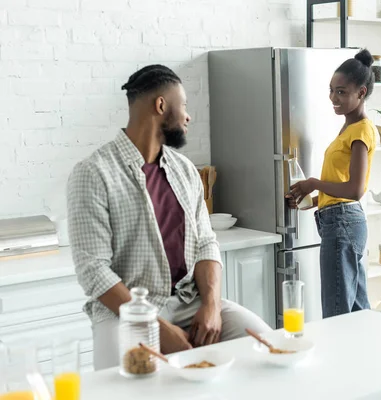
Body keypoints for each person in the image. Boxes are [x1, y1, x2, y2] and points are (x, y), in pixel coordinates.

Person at [67, 64, 271, 371]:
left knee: (266, 349)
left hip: (191, 303)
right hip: (125, 315)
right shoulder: (93, 173)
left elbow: (205, 243)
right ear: (161, 105)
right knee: (123, 386)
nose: (188, 116)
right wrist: (156, 327)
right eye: (184, 106)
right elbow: (93, 270)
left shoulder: (185, 169)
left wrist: (212, 306)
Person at [287, 49, 377, 318]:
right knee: (358, 312)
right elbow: (340, 187)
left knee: (337, 314)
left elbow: (354, 190)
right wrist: (311, 200)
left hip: (343, 224)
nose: (333, 98)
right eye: (331, 90)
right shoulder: (349, 129)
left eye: (341, 92)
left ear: (361, 93)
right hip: (340, 221)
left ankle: (341, 360)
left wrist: (313, 183)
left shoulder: (361, 131)